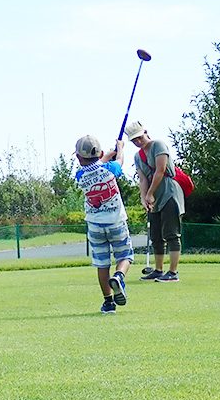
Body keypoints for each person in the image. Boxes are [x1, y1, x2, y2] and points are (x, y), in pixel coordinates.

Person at [73, 134, 134, 313]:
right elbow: (119, 162)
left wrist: (109, 152)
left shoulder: (80, 175)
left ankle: (108, 303)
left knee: (102, 264)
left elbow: (96, 163)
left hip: (95, 225)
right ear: (99, 154)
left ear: (78, 157)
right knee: (125, 256)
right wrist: (120, 148)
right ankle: (119, 276)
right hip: (116, 222)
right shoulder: (110, 170)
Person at [124, 120, 183, 282]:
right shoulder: (138, 156)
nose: (137, 141)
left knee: (171, 233)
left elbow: (160, 170)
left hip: (169, 193)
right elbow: (142, 179)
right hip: (153, 197)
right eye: (134, 140)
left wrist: (150, 194)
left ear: (145, 132)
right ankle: (158, 270)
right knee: (156, 235)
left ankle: (173, 272)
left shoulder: (158, 145)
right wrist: (144, 198)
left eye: (139, 137)